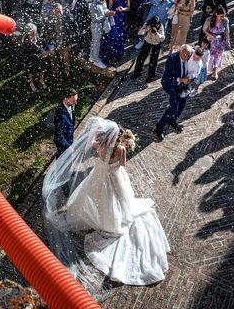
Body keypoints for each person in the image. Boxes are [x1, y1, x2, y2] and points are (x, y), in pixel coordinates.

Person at [42, 117, 170, 292]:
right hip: (115, 177)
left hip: (99, 176)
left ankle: (94, 218)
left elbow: (92, 142)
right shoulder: (121, 148)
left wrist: (95, 131)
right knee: (116, 201)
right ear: (119, 137)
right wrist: (128, 145)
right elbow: (123, 164)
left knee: (95, 198)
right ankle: (111, 221)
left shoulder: (101, 147)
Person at [154, 45, 197, 141]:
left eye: (188, 55)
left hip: (185, 84)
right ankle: (159, 127)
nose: (186, 57)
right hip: (172, 84)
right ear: (180, 52)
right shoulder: (172, 59)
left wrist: (192, 78)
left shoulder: (190, 56)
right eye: (184, 55)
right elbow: (167, 77)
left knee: (182, 104)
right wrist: (181, 79)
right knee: (173, 107)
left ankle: (172, 120)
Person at [100, 0, 130, 65]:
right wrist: (115, 10)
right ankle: (108, 55)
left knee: (121, 37)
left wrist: (123, 9)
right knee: (113, 36)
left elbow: (128, 7)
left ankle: (117, 55)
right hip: (114, 18)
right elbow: (109, 8)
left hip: (123, 19)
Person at [130, 16, 165, 83]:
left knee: (153, 60)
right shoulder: (147, 24)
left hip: (156, 44)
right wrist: (146, 29)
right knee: (141, 58)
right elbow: (139, 33)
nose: (155, 25)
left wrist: (156, 33)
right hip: (147, 42)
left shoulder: (161, 26)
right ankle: (137, 73)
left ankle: (151, 76)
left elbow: (162, 38)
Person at [202, 6, 231, 80]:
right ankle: (206, 69)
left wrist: (227, 41)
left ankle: (215, 70)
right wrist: (211, 36)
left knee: (218, 56)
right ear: (216, 14)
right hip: (211, 41)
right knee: (210, 56)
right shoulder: (209, 20)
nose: (223, 17)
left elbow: (227, 31)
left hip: (221, 41)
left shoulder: (225, 20)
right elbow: (204, 30)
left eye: (224, 15)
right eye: (221, 16)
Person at [89, 0, 115, 69]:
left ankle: (91, 57)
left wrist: (108, 12)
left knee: (95, 42)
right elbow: (95, 19)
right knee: (96, 43)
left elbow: (105, 9)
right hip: (95, 26)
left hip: (102, 26)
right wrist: (106, 15)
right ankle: (96, 60)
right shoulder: (94, 5)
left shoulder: (104, 2)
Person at [21, 23, 48, 92]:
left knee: (42, 66)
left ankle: (41, 80)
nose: (36, 32)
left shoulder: (36, 36)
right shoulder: (26, 41)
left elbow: (40, 44)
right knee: (30, 70)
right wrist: (48, 52)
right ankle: (31, 83)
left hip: (37, 55)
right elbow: (37, 50)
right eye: (34, 31)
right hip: (30, 57)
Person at [53, 88, 77, 158]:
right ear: (67, 98)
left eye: (76, 100)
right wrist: (68, 148)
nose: (75, 103)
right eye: (73, 101)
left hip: (69, 140)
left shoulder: (71, 105)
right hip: (63, 146)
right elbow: (58, 135)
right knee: (62, 165)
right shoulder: (60, 114)